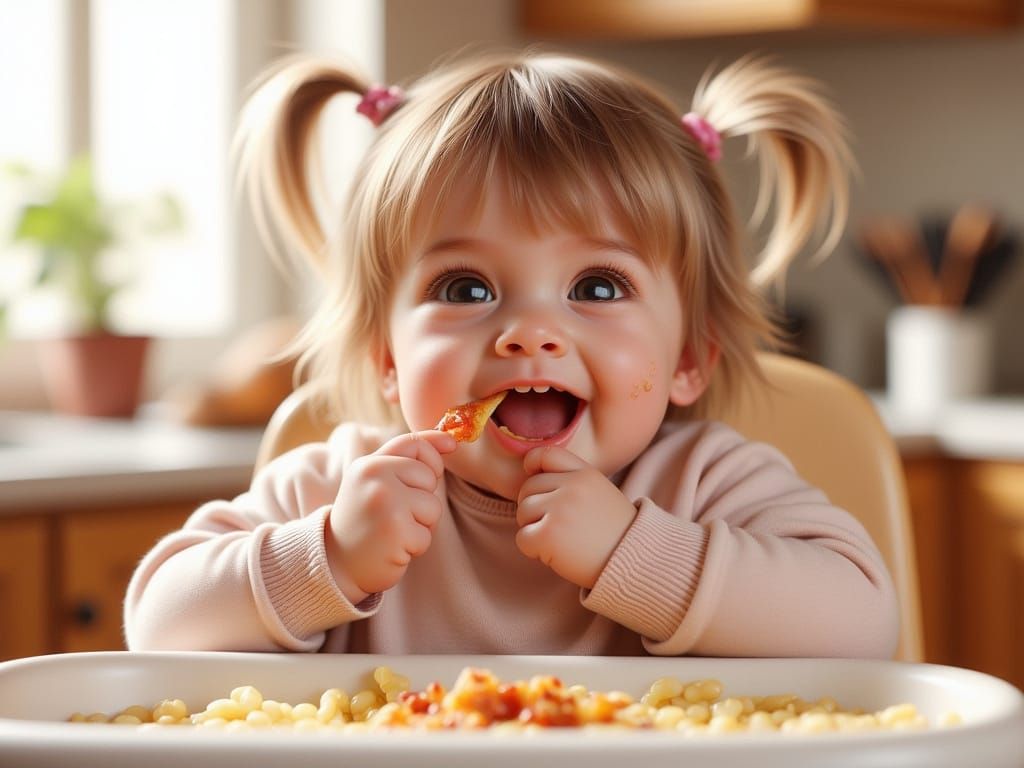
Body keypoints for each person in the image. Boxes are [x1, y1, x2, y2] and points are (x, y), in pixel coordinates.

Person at [125, 49, 898, 658]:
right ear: (386, 356)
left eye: (596, 288)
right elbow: (157, 623)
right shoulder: (341, 487)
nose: (528, 332)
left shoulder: (708, 482)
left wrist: (633, 554)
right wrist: (331, 555)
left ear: (690, 356)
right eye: (465, 289)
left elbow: (865, 622)